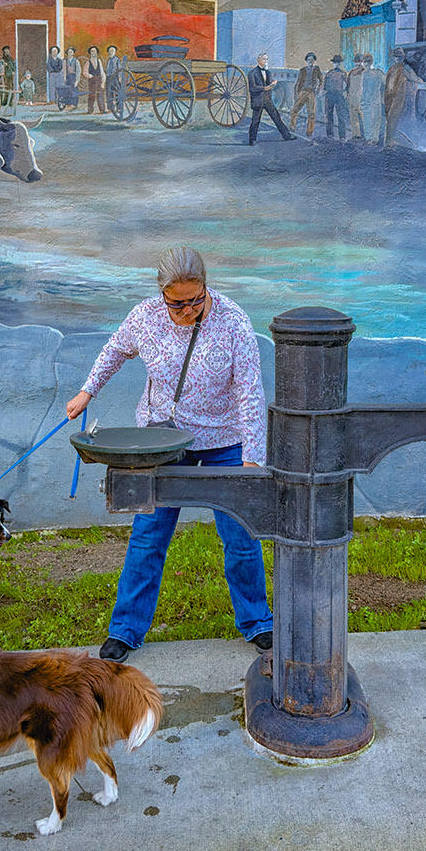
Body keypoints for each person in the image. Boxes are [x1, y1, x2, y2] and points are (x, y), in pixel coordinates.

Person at [65, 246, 274, 663]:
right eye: (176, 303)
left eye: (196, 300)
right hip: (161, 443)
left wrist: (252, 458)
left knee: (240, 537)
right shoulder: (145, 316)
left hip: (224, 442)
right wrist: (88, 390)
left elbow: (249, 391)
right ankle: (125, 630)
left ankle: (258, 623)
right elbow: (114, 350)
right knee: (149, 536)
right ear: (162, 294)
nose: (186, 310)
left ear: (205, 286)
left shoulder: (232, 319)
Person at [246, 52, 294, 144]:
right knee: (255, 121)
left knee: (277, 117)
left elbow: (269, 83)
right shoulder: (252, 73)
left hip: (267, 100)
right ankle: (252, 140)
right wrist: (264, 88)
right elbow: (252, 88)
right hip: (258, 100)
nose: (266, 61)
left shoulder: (268, 72)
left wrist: (273, 83)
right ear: (258, 60)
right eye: (264, 59)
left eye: (267, 59)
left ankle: (287, 136)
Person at [382, 48, 420, 148]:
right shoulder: (392, 69)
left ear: (403, 58)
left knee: (392, 118)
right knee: (390, 118)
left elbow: (414, 78)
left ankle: (389, 142)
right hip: (390, 96)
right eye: (396, 57)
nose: (398, 58)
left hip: (398, 97)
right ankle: (390, 141)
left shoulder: (405, 68)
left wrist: (422, 82)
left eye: (400, 57)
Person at [291, 52, 321, 138]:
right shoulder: (302, 70)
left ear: (314, 61)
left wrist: (318, 89)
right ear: (306, 61)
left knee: (311, 113)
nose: (310, 61)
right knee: (294, 110)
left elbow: (321, 80)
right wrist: (296, 94)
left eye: (312, 60)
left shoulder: (316, 69)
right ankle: (292, 126)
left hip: (311, 93)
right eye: (308, 60)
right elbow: (298, 83)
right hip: (303, 92)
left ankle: (309, 132)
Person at [323, 54, 349, 140]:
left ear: (340, 64)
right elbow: (325, 86)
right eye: (335, 63)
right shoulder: (329, 73)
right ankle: (330, 135)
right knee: (329, 115)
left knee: (341, 116)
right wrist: (324, 92)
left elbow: (348, 85)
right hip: (329, 96)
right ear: (333, 63)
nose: (336, 64)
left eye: (338, 63)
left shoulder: (343, 73)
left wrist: (345, 92)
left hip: (339, 96)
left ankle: (342, 136)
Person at [348, 54, 368, 140]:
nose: (358, 64)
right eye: (356, 62)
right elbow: (348, 84)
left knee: (364, 117)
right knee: (353, 117)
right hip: (352, 96)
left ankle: (367, 135)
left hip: (361, 97)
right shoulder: (351, 72)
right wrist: (348, 94)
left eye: (360, 62)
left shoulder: (365, 72)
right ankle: (356, 134)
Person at [60, 45, 82, 110]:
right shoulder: (65, 61)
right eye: (69, 52)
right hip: (68, 77)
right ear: (67, 53)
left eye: (71, 52)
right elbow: (64, 70)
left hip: (74, 77)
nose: (70, 53)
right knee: (67, 91)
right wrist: (64, 78)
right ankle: (68, 104)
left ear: (73, 53)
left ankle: (74, 104)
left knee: (74, 91)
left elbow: (78, 71)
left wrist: (77, 81)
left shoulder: (76, 61)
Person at [85, 45, 106, 114]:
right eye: (92, 51)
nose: (93, 53)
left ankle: (102, 110)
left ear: (97, 53)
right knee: (91, 95)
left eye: (94, 51)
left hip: (99, 80)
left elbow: (102, 72)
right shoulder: (88, 62)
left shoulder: (99, 61)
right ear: (90, 53)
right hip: (92, 81)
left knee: (100, 95)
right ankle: (90, 110)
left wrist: (103, 82)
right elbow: (84, 72)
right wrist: (89, 75)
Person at [105, 45, 125, 117]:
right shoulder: (108, 60)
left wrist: (119, 78)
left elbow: (119, 69)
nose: (111, 52)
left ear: (115, 52)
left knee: (117, 94)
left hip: (115, 78)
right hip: (108, 78)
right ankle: (110, 108)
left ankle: (119, 108)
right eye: (110, 51)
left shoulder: (117, 59)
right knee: (109, 93)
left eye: (112, 51)